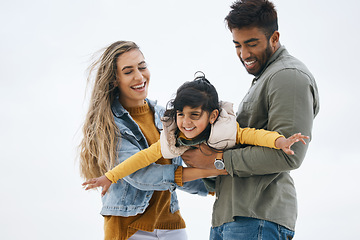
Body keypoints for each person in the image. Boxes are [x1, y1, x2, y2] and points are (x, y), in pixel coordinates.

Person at [181, 1, 320, 240]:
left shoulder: (287, 76)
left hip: (257, 220)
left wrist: (216, 160)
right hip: (231, 218)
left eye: (251, 44)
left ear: (274, 38)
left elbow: (291, 153)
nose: (244, 54)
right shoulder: (265, 78)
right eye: (237, 45)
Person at [79, 41, 219, 240]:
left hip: (170, 223)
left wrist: (216, 184)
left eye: (142, 67)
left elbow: (179, 172)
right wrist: (212, 171)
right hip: (129, 227)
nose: (139, 76)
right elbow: (141, 175)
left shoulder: (166, 116)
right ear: (114, 80)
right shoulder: (109, 125)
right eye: (128, 71)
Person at [83, 73, 309, 196]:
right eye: (181, 114)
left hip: (236, 170)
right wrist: (110, 177)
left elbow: (252, 135)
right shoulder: (174, 137)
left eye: (195, 115)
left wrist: (279, 141)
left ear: (212, 116)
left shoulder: (224, 129)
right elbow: (142, 158)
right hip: (211, 182)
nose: (186, 122)